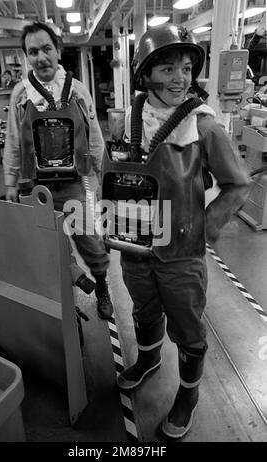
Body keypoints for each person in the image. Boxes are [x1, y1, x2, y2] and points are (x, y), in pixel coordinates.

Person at [110, 24, 250, 439]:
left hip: (181, 256)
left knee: (188, 329)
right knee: (143, 311)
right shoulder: (125, 121)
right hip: (134, 249)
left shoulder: (203, 126)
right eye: (168, 68)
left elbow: (237, 183)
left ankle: (188, 395)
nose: (180, 79)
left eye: (186, 69)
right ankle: (148, 359)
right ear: (145, 74)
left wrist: (205, 229)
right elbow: (112, 175)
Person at [3, 21, 113, 320]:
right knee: (48, 249)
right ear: (27, 56)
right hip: (35, 189)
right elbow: (13, 141)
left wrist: (101, 178)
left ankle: (101, 283)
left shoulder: (77, 91)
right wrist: (11, 182)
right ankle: (65, 298)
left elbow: (93, 139)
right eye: (33, 52)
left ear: (58, 50)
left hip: (73, 184)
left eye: (46, 49)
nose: (40, 57)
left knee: (90, 241)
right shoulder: (20, 95)